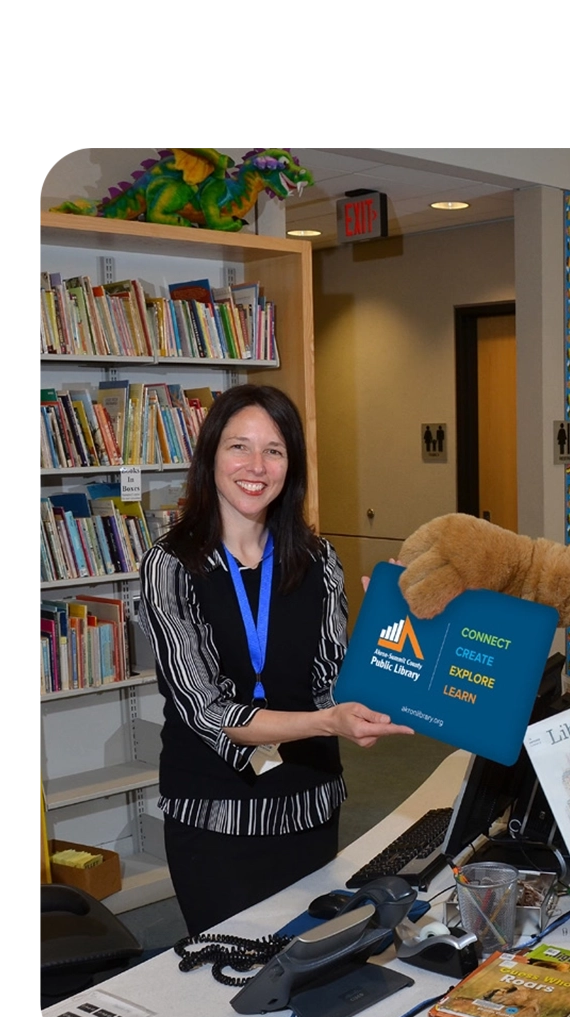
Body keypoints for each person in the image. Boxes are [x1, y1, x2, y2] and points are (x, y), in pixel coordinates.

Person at [139, 384, 412, 934]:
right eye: (239, 447)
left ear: (292, 464)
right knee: (231, 965)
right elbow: (209, 712)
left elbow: (331, 682)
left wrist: (395, 630)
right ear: (211, 455)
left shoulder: (318, 558)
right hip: (215, 818)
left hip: (309, 805)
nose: (256, 467)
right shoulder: (170, 565)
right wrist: (326, 723)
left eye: (274, 450)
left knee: (308, 956)